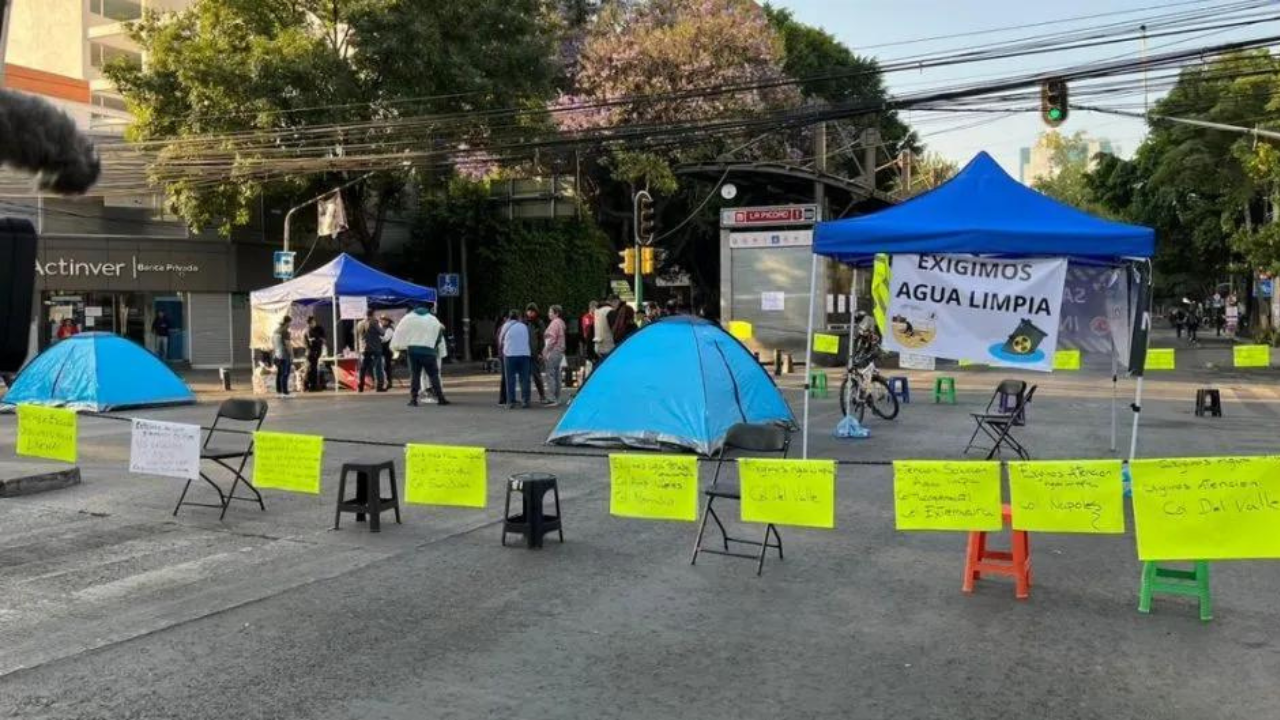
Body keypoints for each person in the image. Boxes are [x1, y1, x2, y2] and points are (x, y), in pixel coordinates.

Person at [390, 303, 450, 407]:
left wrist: (398, 347)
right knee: (434, 375)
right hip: (429, 352)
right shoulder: (433, 319)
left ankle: (413, 399)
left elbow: (400, 332)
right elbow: (439, 335)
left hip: (413, 351)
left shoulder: (408, 318)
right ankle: (441, 398)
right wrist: (432, 345)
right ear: (427, 309)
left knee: (415, 375)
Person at [499, 309, 532, 409]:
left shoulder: (506, 326)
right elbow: (528, 339)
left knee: (510, 379)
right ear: (519, 317)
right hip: (524, 354)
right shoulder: (524, 326)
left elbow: (500, 339)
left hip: (510, 355)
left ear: (509, 317)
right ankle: (525, 401)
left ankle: (510, 402)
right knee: (525, 379)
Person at [355, 309, 386, 392]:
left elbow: (358, 334)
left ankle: (360, 386)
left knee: (363, 368)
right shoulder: (374, 322)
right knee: (378, 367)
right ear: (372, 314)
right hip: (375, 348)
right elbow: (382, 332)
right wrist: (381, 326)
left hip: (364, 348)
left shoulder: (359, 323)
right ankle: (379, 386)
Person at [525, 303, 549, 404]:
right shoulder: (524, 322)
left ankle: (542, 396)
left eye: (532, 311)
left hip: (534, 353)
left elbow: (542, 339)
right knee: (525, 377)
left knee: (536, 375)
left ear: (535, 312)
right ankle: (526, 398)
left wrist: (540, 352)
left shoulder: (539, 323)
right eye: (529, 311)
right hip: (525, 353)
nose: (530, 313)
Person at [544, 304, 567, 405]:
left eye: (550, 312)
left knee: (550, 374)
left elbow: (552, 339)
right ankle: (557, 397)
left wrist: (545, 350)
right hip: (560, 351)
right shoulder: (561, 323)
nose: (548, 314)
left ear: (556, 313)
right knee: (557, 374)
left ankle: (552, 397)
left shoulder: (554, 323)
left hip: (553, 350)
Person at [271, 315, 293, 398]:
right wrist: (292, 355)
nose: (290, 325)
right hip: (284, 355)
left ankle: (279, 391)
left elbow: (273, 343)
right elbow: (288, 345)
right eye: (290, 323)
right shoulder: (285, 332)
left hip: (277, 355)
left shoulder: (275, 331)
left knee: (279, 373)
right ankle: (285, 392)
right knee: (285, 373)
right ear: (287, 322)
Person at [304, 315, 326, 391]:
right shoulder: (308, 330)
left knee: (313, 369)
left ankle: (311, 385)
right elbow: (309, 342)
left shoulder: (319, 329)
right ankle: (309, 385)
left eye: (313, 322)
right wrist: (316, 340)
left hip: (316, 352)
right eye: (310, 323)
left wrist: (319, 340)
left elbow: (323, 340)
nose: (312, 324)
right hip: (311, 352)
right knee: (311, 369)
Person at [379, 315, 395, 388]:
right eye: (382, 320)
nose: (382, 321)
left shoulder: (389, 329)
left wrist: (377, 337)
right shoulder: (381, 328)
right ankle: (386, 382)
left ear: (388, 321)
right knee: (384, 367)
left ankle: (389, 383)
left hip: (387, 351)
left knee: (387, 367)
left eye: (384, 320)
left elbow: (385, 339)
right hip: (382, 350)